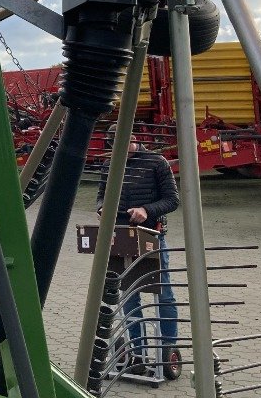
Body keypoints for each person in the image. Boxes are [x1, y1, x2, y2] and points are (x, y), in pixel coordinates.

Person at [96, 134, 180, 369]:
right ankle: (138, 352)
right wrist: (101, 207)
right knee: (129, 293)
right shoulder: (108, 164)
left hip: (151, 234)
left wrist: (146, 209)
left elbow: (173, 200)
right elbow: (101, 194)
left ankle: (168, 349)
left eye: (127, 143)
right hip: (121, 236)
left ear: (134, 139)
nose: (122, 149)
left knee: (162, 292)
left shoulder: (156, 162)